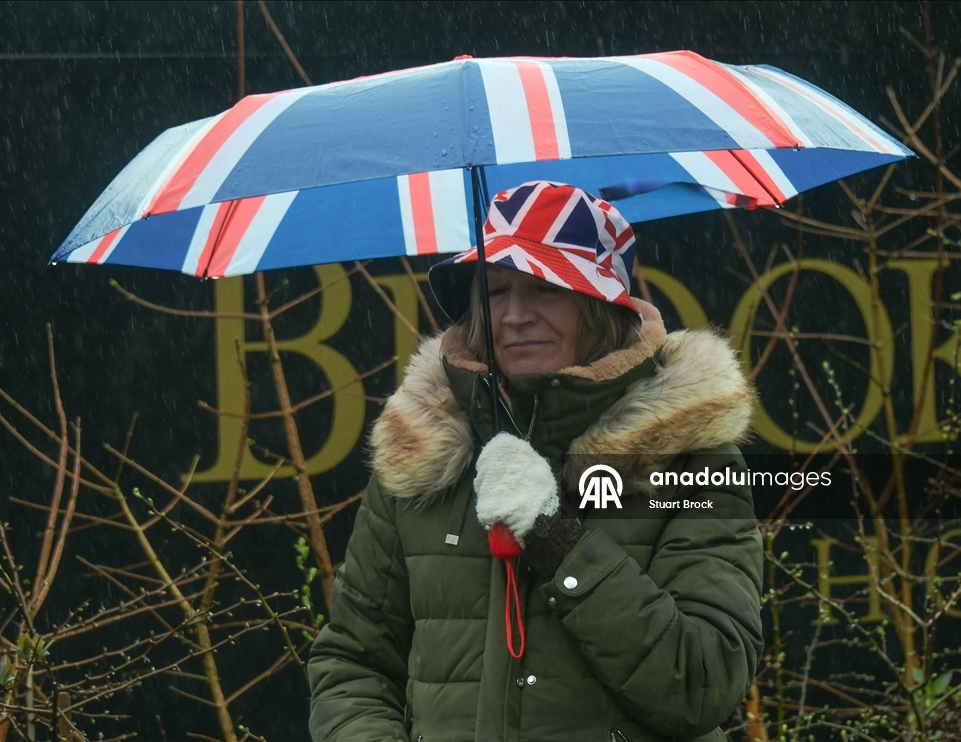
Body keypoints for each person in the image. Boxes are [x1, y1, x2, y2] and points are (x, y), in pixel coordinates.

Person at [308, 181, 763, 741]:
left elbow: (702, 682)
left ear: (599, 307)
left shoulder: (689, 458)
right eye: (495, 291)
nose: (515, 315)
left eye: (544, 289)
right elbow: (352, 666)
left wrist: (554, 539)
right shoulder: (426, 455)